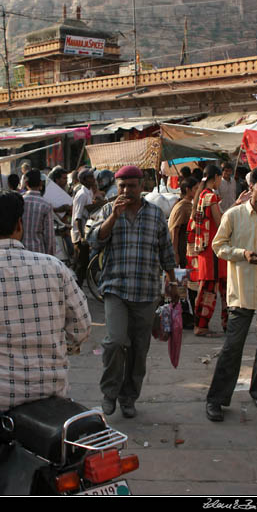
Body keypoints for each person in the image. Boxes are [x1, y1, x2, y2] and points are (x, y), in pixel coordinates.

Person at [0, 189, 91, 495]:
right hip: (52, 394)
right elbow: (82, 328)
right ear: (19, 225)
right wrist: (60, 347)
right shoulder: (55, 267)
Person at [86, 165, 179, 419]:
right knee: (115, 341)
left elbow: (166, 252)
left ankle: (129, 397)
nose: (126, 190)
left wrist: (172, 282)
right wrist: (113, 217)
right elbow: (92, 240)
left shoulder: (156, 214)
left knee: (139, 349)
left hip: (147, 291)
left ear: (142, 186)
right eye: (122, 185)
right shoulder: (107, 210)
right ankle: (109, 393)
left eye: (131, 185)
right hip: (115, 288)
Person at [205, 165, 257, 422]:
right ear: (251, 187)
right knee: (233, 347)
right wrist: (242, 254)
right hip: (240, 291)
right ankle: (216, 399)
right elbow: (219, 246)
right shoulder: (234, 215)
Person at [191, 164, 228, 337]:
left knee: (207, 288)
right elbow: (220, 222)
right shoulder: (211, 196)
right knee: (213, 289)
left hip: (204, 249)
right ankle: (204, 325)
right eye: (220, 178)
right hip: (213, 250)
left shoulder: (201, 195)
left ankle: (201, 324)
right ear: (216, 177)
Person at [71, 168, 104, 287]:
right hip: (79, 234)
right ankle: (75, 289)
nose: (93, 179)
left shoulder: (88, 192)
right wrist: (82, 237)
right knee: (81, 265)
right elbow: (77, 217)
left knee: (81, 264)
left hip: (85, 231)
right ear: (84, 180)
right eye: (90, 177)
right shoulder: (82, 194)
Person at [21, 169, 55, 255]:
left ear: (26, 184)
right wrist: (50, 256)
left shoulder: (18, 201)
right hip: (38, 252)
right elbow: (49, 236)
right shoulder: (46, 205)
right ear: (41, 184)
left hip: (20, 251)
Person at [168, 177, 198, 268]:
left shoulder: (188, 205)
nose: (198, 191)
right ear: (188, 190)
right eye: (196, 188)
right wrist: (175, 253)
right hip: (181, 249)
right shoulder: (182, 207)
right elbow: (175, 230)